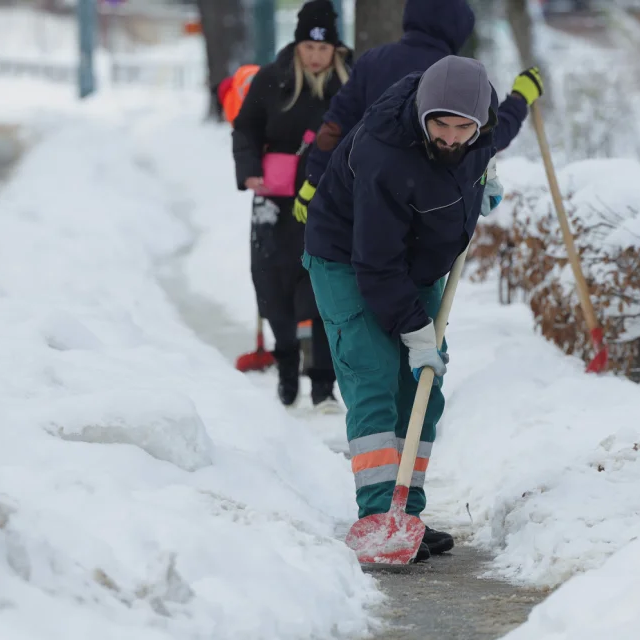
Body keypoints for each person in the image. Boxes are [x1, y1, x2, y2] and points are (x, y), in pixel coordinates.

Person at [301, 56, 543, 562]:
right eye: (441, 125)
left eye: (464, 129)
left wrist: (484, 177)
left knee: (423, 390)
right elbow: (375, 262)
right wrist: (415, 332)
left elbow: (484, 144)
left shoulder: (478, 130)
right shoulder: (384, 153)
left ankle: (405, 511)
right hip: (349, 259)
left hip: (420, 260)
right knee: (374, 377)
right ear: (421, 111)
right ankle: (377, 516)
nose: (452, 138)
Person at [290, 0, 538, 224]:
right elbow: (489, 136)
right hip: (427, 208)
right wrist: (519, 98)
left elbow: (335, 125)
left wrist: (313, 179)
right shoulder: (456, 78)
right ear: (459, 28)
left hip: (364, 195)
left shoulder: (372, 60)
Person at [232, 0, 352, 410]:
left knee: (324, 286)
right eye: (309, 47)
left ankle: (322, 383)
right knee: (271, 283)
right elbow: (245, 127)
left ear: (334, 49)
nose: (316, 56)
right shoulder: (271, 79)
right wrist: (248, 169)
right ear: (297, 44)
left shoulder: (352, 82)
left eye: (324, 49)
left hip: (328, 200)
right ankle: (285, 367)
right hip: (275, 197)